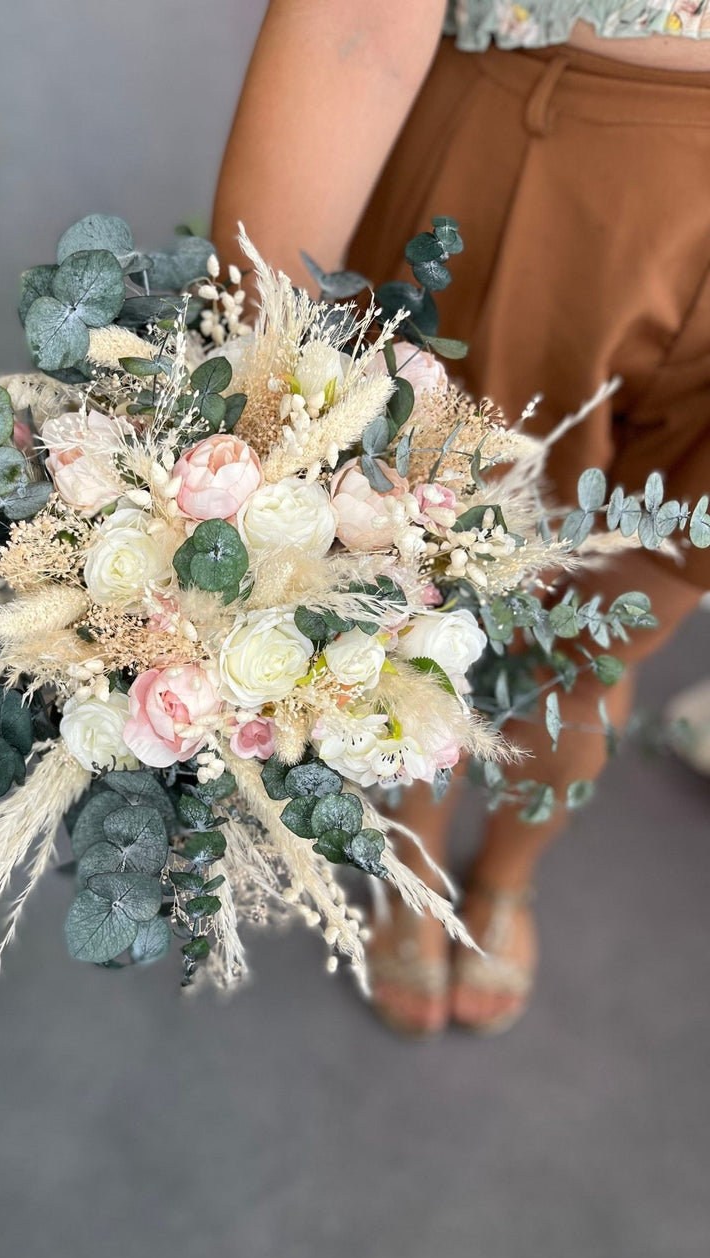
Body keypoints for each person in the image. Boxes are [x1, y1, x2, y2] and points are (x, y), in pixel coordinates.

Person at [212, 1, 710, 1036]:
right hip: (540, 148)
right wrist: (248, 390)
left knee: (606, 645)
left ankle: (508, 871)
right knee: (413, 575)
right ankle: (417, 834)